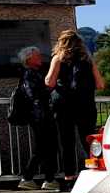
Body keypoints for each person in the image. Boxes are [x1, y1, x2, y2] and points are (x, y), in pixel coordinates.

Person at [45, 29, 105, 184]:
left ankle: (70, 176)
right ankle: (97, 170)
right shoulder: (88, 60)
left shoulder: (58, 59)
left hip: (64, 106)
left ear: (61, 43)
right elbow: (100, 84)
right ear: (80, 43)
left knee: (67, 141)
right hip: (85, 105)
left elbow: (50, 82)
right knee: (89, 139)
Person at [13, 45, 57, 191]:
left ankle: (44, 179)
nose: (40, 57)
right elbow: (33, 94)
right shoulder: (29, 74)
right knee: (45, 147)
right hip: (40, 116)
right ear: (29, 59)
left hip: (40, 115)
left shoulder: (34, 73)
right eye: (37, 55)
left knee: (45, 147)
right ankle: (35, 178)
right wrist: (50, 88)